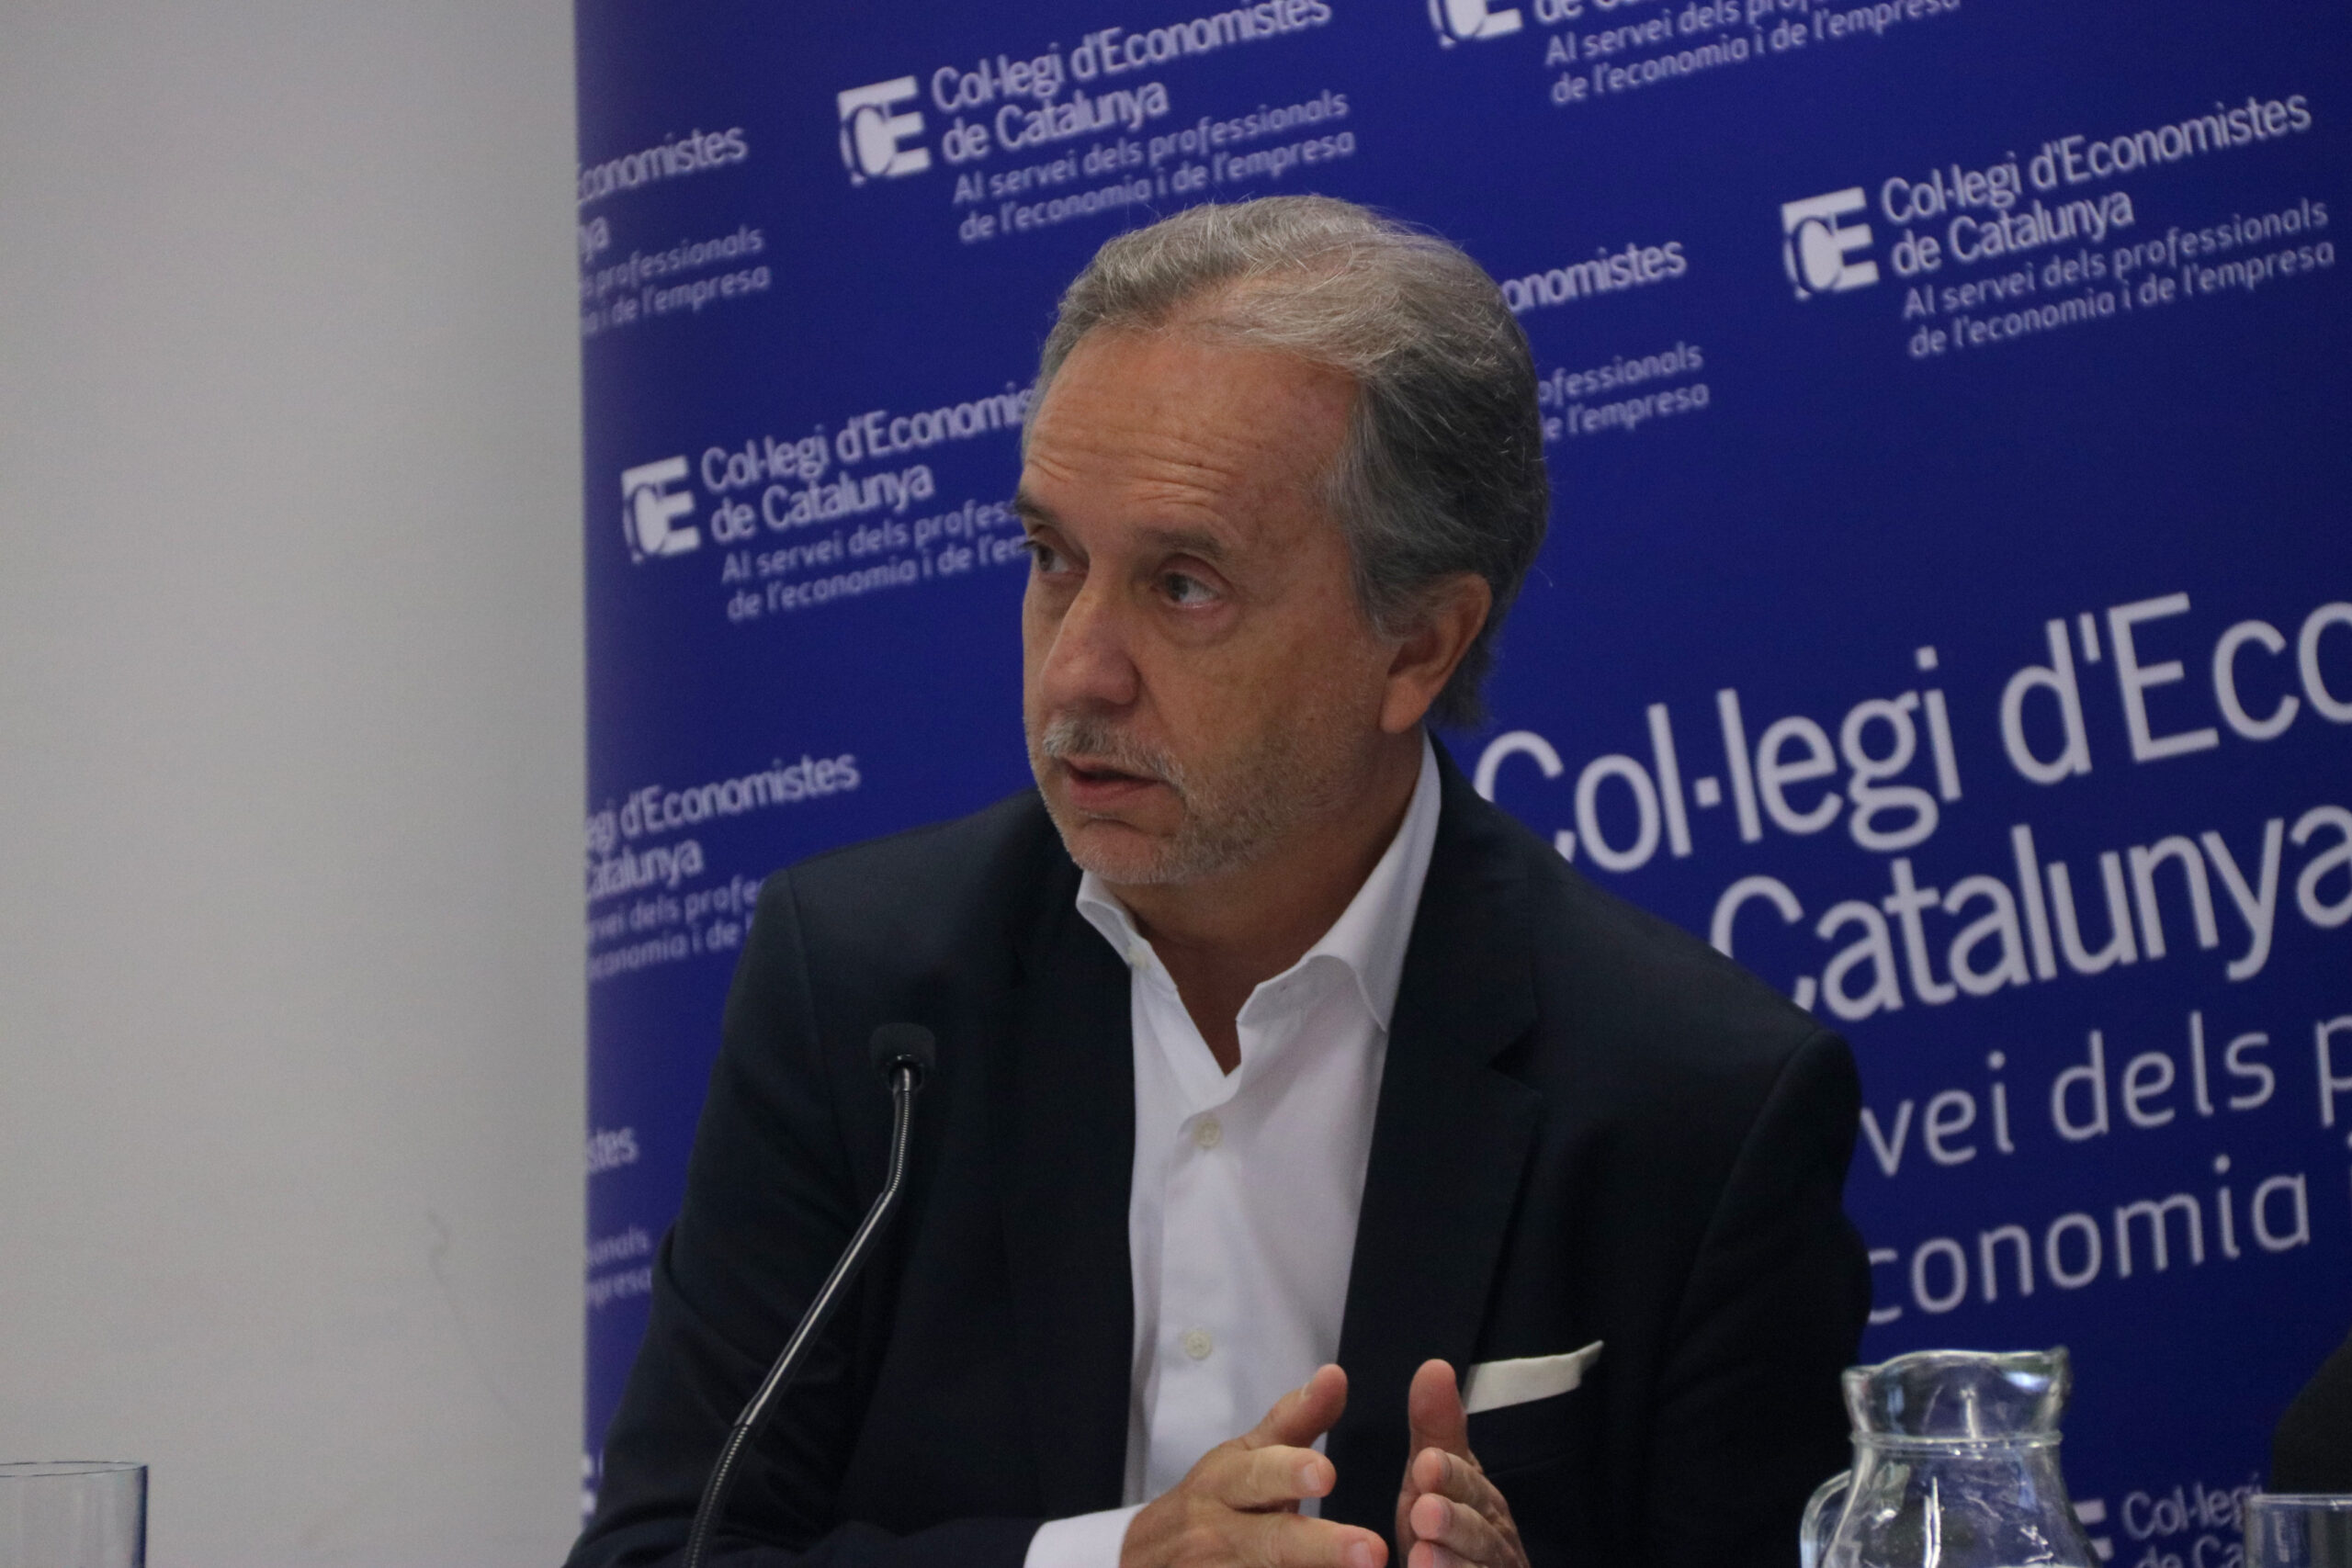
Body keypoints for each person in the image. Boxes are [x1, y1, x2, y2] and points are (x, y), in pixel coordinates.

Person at [570, 196, 1870, 1568]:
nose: (1078, 669)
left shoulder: (1694, 1103)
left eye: (1183, 586)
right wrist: (1111, 1563)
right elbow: (663, 1553)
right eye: (1052, 560)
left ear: (1418, 646)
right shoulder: (865, 998)